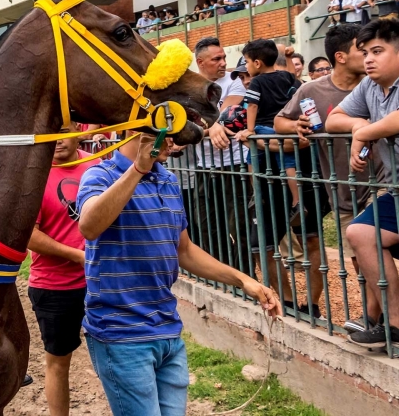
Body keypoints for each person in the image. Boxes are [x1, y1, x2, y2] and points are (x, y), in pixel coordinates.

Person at [76, 132, 279, 416]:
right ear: (137, 133)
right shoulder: (99, 175)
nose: (173, 142)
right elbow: (89, 225)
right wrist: (137, 170)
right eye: (167, 133)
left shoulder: (169, 181)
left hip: (168, 331)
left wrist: (244, 280)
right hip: (121, 334)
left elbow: (184, 250)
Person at [275, 25, 384, 325]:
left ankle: (377, 319)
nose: (367, 56)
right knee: (361, 261)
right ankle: (375, 319)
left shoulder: (377, 83)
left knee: (378, 251)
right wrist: (295, 127)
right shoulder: (312, 90)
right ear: (340, 56)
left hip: (384, 183)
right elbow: (280, 121)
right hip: (343, 190)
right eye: (361, 50)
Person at [327, 19, 399, 347]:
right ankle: (394, 322)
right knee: (359, 232)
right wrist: (359, 123)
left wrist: (364, 134)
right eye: (365, 52)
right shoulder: (370, 86)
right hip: (396, 188)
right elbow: (332, 119)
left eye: (378, 51)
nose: (368, 59)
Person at [26, 124, 97, 416]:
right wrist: (77, 256)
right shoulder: (34, 175)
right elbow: (28, 234)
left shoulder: (94, 164)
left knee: (119, 355)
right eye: (50, 132)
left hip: (101, 280)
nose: (57, 139)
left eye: (64, 130)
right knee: (58, 361)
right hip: (54, 286)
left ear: (78, 132)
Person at [192, 38, 248, 267]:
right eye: (217, 59)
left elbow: (228, 118)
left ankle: (244, 277)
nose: (224, 63)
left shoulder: (234, 82)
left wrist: (204, 127)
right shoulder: (190, 85)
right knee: (207, 226)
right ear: (201, 62)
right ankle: (224, 275)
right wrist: (209, 127)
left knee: (240, 226)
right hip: (204, 165)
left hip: (234, 163)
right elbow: (189, 124)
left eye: (224, 57)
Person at [235, 39, 303, 225]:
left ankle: (256, 194)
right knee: (289, 163)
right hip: (283, 129)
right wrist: (288, 57)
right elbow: (293, 75)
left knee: (252, 158)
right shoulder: (284, 76)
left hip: (263, 128)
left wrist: (249, 130)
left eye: (247, 62)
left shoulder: (257, 82)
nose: (247, 67)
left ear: (257, 63)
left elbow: (252, 105)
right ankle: (297, 201)